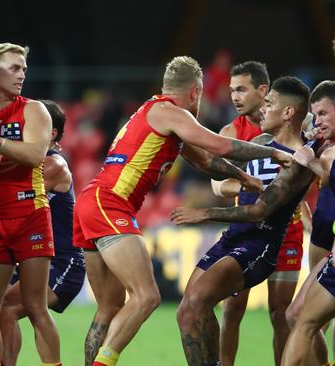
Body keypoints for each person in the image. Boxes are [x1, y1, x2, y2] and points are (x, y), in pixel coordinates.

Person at [72, 56, 291, 366]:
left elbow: (207, 162)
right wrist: (272, 152)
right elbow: (220, 146)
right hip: (109, 203)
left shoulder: (157, 115)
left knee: (109, 307)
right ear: (195, 92)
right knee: (147, 297)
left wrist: (242, 177)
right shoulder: (170, 112)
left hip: (90, 202)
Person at [171, 76, 312, 366]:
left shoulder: (299, 161)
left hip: (259, 246)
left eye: (270, 104)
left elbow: (260, 211)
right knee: (186, 311)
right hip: (233, 238)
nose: (263, 109)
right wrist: (183, 145)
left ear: (288, 113)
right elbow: (221, 157)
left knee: (200, 302)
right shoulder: (260, 143)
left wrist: (206, 213)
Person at [0, 42, 65, 366]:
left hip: (31, 215)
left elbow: (34, 156)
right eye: (14, 68)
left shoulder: (33, 110)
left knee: (34, 306)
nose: (22, 75)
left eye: (24, 69)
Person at [212, 62, 306, 366]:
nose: (235, 97)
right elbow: (217, 186)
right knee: (232, 307)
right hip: (250, 230)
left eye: (241, 89)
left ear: (262, 91)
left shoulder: (292, 126)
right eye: (231, 91)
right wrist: (253, 184)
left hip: (288, 230)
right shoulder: (231, 132)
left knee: (281, 312)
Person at [0, 99, 86, 366]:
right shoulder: (30, 164)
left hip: (64, 262)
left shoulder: (53, 166)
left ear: (52, 133)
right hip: (35, 257)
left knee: (12, 309)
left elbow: (8, 196)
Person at [281, 85, 335, 366]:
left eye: (324, 113)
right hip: (334, 244)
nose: (318, 121)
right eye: (315, 116)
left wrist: (311, 160)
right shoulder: (329, 148)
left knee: (300, 318)